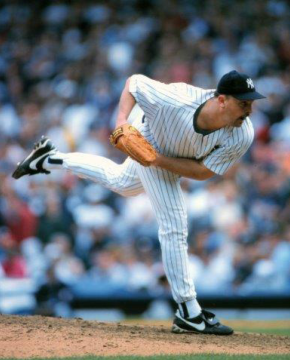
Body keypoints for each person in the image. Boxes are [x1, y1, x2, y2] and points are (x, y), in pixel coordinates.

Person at [12, 70, 265, 335]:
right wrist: (121, 122)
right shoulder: (177, 99)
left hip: (162, 156)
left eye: (251, 103)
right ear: (222, 100)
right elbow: (134, 83)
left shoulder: (241, 133)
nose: (249, 109)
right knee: (175, 225)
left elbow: (203, 172)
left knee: (121, 182)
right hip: (148, 135)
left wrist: (156, 160)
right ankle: (189, 312)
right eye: (243, 103)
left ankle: (49, 158)